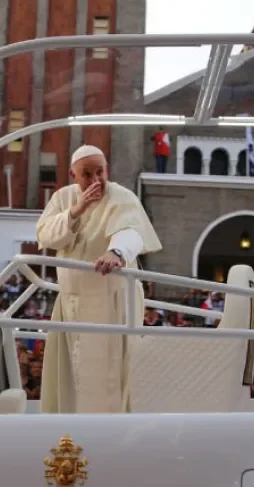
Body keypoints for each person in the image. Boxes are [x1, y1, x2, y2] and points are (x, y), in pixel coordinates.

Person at [37, 144, 163, 414]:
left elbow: (131, 229)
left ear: (107, 170)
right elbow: (47, 236)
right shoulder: (63, 198)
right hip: (70, 303)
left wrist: (116, 252)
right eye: (87, 174)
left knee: (108, 377)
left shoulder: (121, 196)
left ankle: (106, 435)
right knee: (70, 375)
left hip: (110, 301)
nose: (95, 180)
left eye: (100, 172)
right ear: (73, 175)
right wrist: (75, 211)